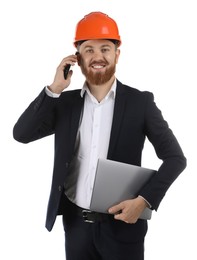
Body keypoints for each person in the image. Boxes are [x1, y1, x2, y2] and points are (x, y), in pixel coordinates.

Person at [13, 11, 186, 260]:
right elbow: (21, 134)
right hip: (76, 226)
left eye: (105, 49)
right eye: (89, 50)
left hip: (123, 226)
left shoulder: (140, 103)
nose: (97, 57)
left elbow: (175, 158)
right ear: (78, 58)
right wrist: (54, 90)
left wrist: (144, 201)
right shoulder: (65, 104)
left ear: (117, 54)